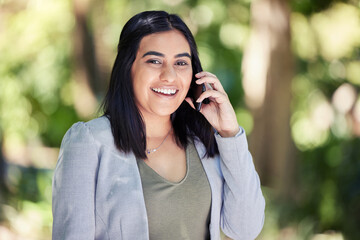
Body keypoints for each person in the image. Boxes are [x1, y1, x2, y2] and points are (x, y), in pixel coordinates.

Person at [52, 10, 265, 240]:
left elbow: (246, 229)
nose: (169, 75)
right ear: (128, 67)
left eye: (181, 62)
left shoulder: (203, 142)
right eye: (154, 61)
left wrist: (229, 132)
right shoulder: (89, 142)